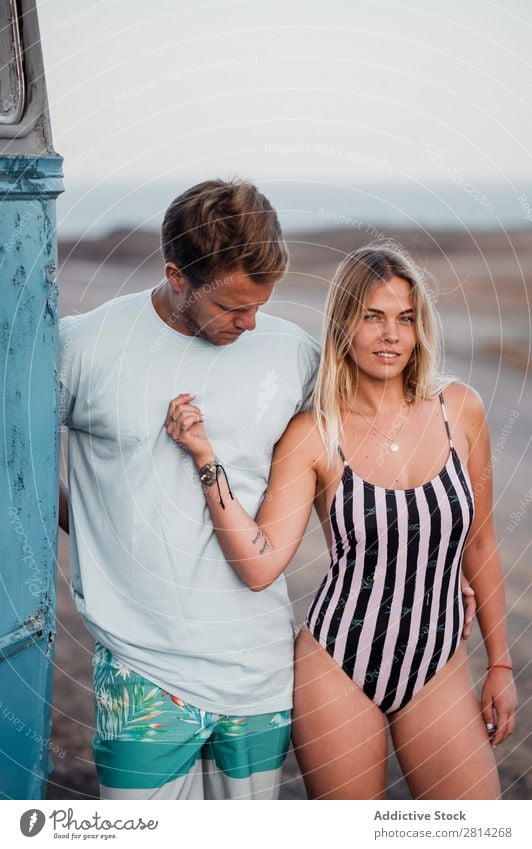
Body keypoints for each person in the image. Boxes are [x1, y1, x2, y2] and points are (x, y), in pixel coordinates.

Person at [169, 243, 517, 800]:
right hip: (338, 665)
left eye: (405, 319)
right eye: (372, 317)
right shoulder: (314, 432)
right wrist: (206, 459)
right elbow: (259, 564)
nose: (391, 335)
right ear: (344, 326)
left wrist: (500, 663)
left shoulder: (461, 410)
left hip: (440, 662)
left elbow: (480, 545)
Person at [58, 178, 322, 799]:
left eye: (262, 303)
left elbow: (345, 469)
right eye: (233, 307)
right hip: (141, 671)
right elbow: (16, 457)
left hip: (260, 671)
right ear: (177, 276)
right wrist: (86, 525)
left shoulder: (295, 355)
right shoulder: (84, 345)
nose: (252, 323)